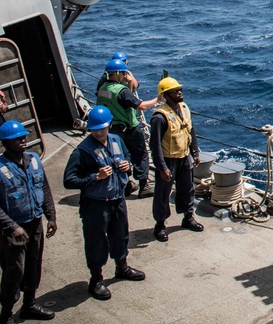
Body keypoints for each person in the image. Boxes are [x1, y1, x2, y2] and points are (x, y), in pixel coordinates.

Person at [62, 106, 144, 300]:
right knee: (96, 241)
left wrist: (128, 166)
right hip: (96, 204)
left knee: (121, 234)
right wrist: (94, 177)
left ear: (109, 126)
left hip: (117, 199)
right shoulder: (82, 151)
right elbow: (69, 180)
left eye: (102, 128)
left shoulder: (117, 140)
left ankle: (121, 267)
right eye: (94, 129)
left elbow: (127, 157)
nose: (98, 132)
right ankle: (96, 279)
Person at [0, 121, 56, 322]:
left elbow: (45, 188)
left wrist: (51, 216)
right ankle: (6, 313)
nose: (23, 141)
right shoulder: (0, 168)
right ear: (6, 143)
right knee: (15, 270)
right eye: (17, 138)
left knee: (34, 265)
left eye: (24, 137)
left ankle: (29, 305)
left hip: (35, 223)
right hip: (13, 229)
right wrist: (12, 226)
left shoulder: (33, 160)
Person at [149, 77, 203, 242]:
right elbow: (155, 145)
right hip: (168, 159)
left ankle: (188, 217)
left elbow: (190, 130)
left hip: (184, 156)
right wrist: (162, 167)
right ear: (166, 95)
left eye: (179, 90)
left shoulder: (185, 108)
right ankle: (160, 224)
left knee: (187, 189)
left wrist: (195, 152)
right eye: (175, 91)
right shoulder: (160, 117)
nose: (179, 93)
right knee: (162, 194)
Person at [97, 59, 158, 197]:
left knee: (119, 157)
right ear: (117, 73)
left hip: (112, 130)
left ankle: (126, 185)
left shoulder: (102, 88)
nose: (125, 76)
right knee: (140, 154)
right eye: (123, 73)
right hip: (129, 127)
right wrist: (157, 100)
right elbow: (141, 105)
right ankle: (144, 186)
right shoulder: (121, 90)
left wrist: (129, 83)